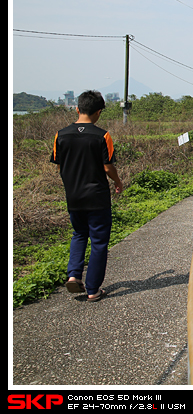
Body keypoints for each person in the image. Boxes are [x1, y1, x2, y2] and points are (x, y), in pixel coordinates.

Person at [50, 90, 123, 303]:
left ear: (77, 108)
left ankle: (73, 274)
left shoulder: (60, 135)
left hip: (73, 196)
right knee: (99, 242)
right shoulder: (102, 136)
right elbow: (107, 166)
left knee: (79, 234)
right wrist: (118, 182)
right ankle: (92, 289)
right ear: (99, 112)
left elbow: (60, 166)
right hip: (97, 197)